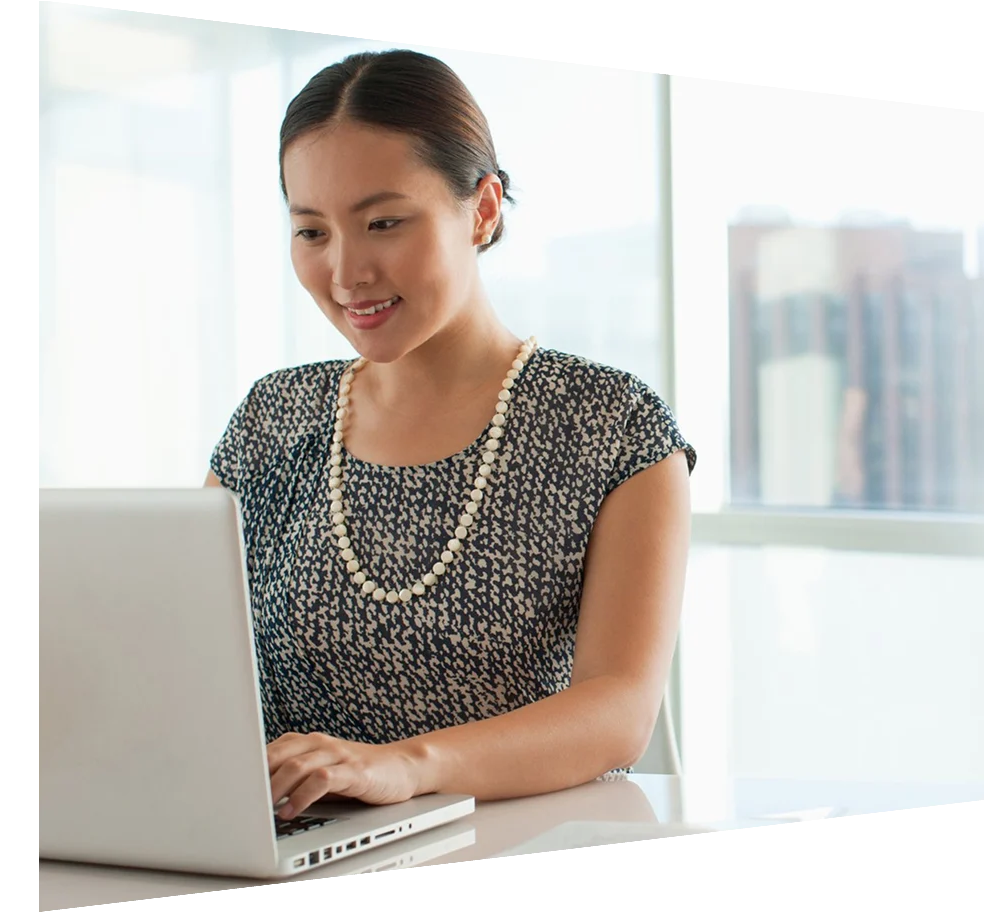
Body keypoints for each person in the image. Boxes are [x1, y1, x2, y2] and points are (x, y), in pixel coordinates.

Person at [205, 49, 696, 819]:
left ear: (483, 209)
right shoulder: (273, 419)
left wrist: (406, 767)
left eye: (384, 223)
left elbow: (619, 712)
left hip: (511, 837)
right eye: (311, 231)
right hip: (286, 848)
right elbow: (183, 663)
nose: (347, 271)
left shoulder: (611, 426)